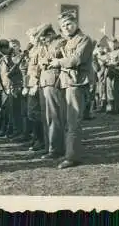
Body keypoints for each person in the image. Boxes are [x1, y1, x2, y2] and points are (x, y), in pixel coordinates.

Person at [48, 11, 93, 169]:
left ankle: (72, 157)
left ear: (76, 23)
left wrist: (58, 62)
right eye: (63, 26)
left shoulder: (84, 40)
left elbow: (76, 59)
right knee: (66, 121)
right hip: (65, 83)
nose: (66, 28)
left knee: (73, 121)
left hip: (77, 84)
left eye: (69, 24)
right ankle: (69, 152)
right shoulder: (66, 41)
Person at [36, 23, 67, 160]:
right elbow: (40, 60)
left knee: (54, 117)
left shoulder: (60, 42)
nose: (42, 41)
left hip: (54, 81)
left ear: (50, 34)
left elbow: (56, 57)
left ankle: (56, 149)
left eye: (44, 38)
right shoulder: (46, 45)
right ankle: (48, 146)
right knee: (47, 117)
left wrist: (45, 60)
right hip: (45, 82)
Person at [23, 28, 46, 152]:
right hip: (31, 83)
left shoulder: (41, 49)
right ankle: (35, 138)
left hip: (37, 84)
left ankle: (40, 140)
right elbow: (30, 70)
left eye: (32, 37)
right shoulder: (33, 50)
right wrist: (27, 85)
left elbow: (39, 68)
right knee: (31, 113)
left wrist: (36, 84)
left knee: (36, 113)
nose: (30, 39)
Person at [105, 38, 119, 115]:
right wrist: (107, 63)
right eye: (110, 44)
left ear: (116, 44)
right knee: (110, 91)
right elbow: (107, 61)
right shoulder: (109, 53)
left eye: (113, 43)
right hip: (109, 74)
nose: (112, 45)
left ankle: (118, 109)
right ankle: (112, 108)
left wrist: (113, 64)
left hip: (117, 74)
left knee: (117, 91)